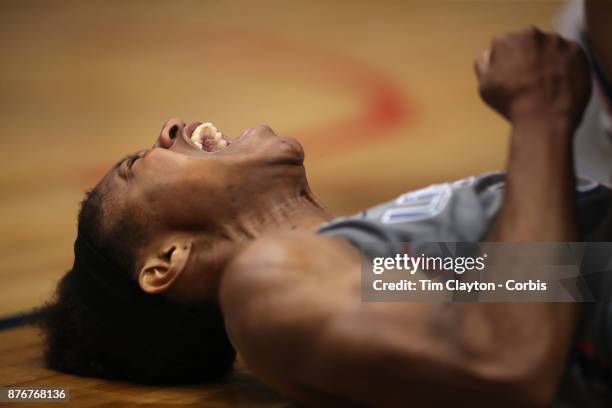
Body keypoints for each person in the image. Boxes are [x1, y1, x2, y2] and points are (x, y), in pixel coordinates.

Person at [38, 26, 611, 406]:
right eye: (139, 165)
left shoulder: (362, 265)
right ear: (166, 261)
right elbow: (506, 362)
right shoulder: (266, 289)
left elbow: (548, 284)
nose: (167, 129)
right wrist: (539, 114)